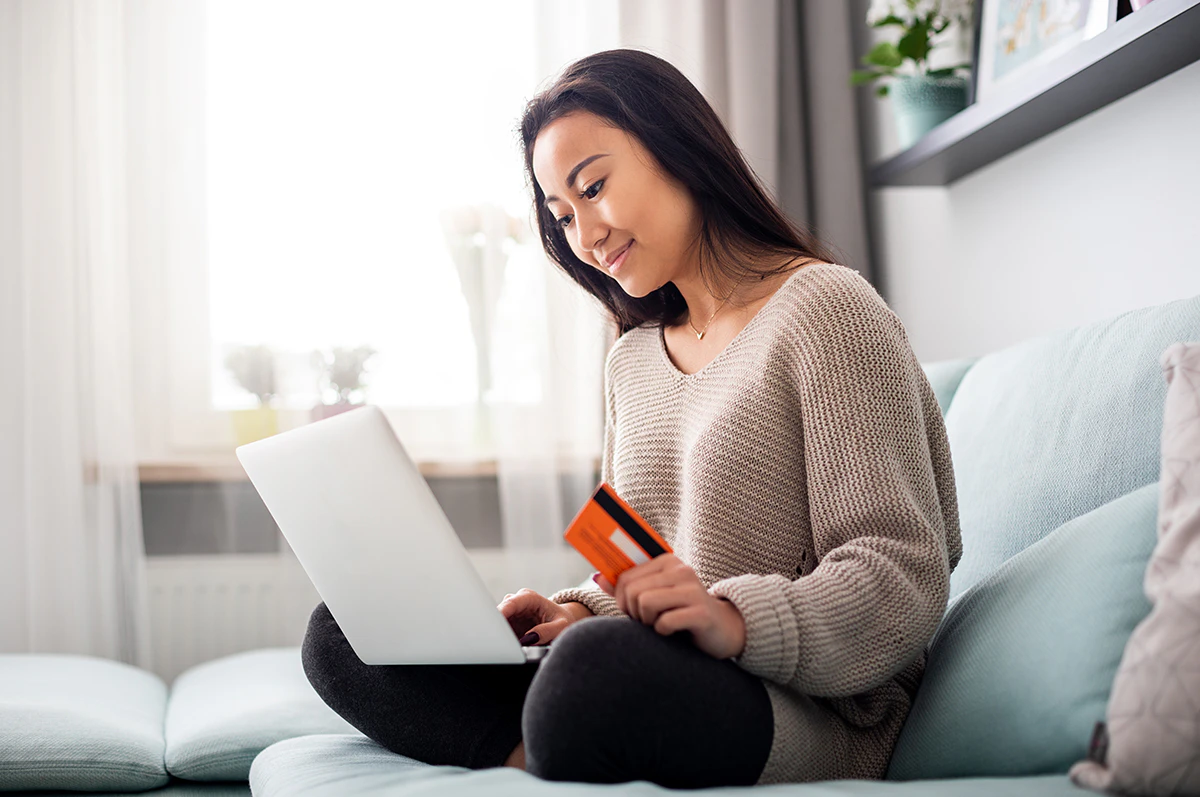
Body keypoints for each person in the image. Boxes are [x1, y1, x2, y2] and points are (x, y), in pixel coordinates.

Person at [301, 47, 962, 789]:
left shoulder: (828, 311)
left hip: (804, 707)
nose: (585, 235)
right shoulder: (632, 360)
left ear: (678, 147)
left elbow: (900, 574)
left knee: (592, 675)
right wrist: (579, 612)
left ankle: (555, 740)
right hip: (650, 672)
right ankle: (542, 756)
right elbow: (631, 565)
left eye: (594, 188)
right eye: (562, 215)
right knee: (346, 631)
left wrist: (730, 619)